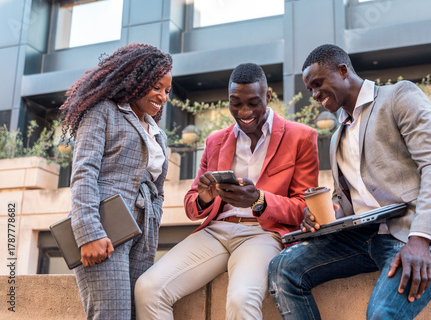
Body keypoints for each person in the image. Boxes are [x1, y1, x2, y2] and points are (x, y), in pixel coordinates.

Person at [268, 44, 431, 319]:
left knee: (381, 314)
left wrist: (421, 239)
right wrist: (318, 216)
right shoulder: (338, 135)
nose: (314, 95)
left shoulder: (399, 96)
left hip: (419, 235)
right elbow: (347, 201)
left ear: (343, 70)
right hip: (365, 238)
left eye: (318, 84)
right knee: (283, 268)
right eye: (309, 89)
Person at [135, 63, 319, 319]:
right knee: (148, 288)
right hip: (215, 233)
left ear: (267, 97)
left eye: (253, 103)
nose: (244, 112)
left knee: (241, 299)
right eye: (236, 103)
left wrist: (259, 199)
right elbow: (191, 205)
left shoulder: (301, 136)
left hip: (262, 234)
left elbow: (305, 208)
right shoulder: (215, 141)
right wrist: (205, 197)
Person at [60, 43, 173, 320]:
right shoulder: (104, 111)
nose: (163, 96)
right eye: (157, 87)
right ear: (136, 80)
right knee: (111, 315)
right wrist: (89, 233)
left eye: (167, 91)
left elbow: (157, 189)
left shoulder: (157, 132)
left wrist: (154, 215)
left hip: (142, 235)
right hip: (104, 229)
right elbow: (84, 172)